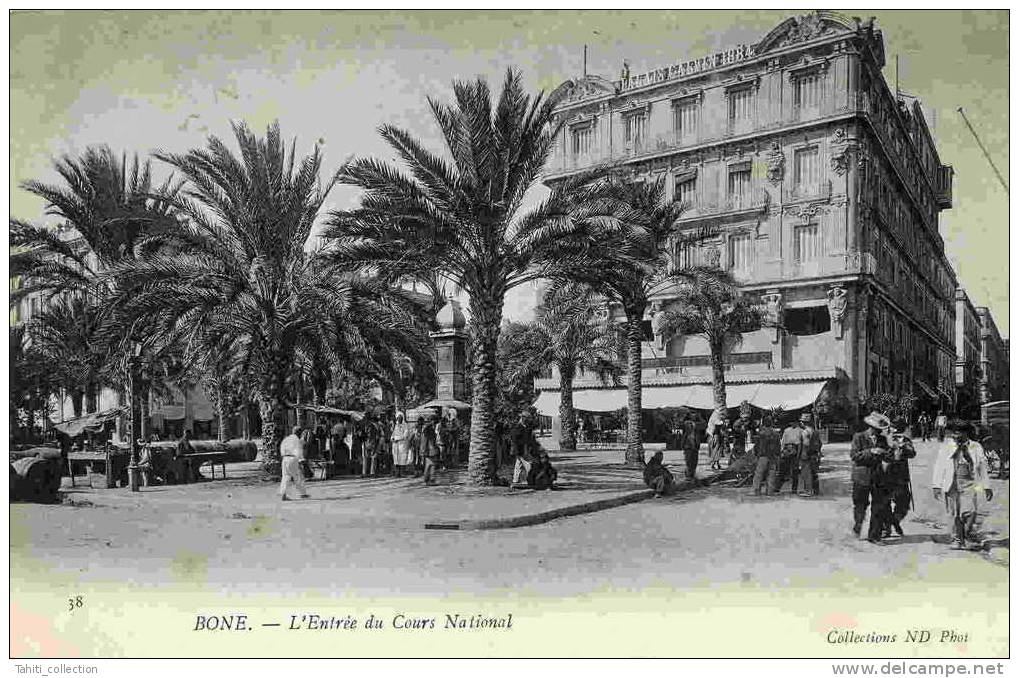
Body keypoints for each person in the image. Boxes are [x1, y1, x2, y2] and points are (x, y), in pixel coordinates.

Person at [932, 420, 992, 550]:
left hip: (969, 482)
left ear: (966, 433)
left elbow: (982, 467)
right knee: (954, 513)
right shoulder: (946, 447)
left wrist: (987, 486)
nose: (956, 436)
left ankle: (966, 534)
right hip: (951, 482)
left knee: (971, 511)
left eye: (959, 433)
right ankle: (957, 539)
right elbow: (939, 466)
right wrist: (936, 485)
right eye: (954, 433)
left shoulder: (976, 447)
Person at [850, 412, 893, 543]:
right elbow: (854, 456)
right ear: (869, 427)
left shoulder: (882, 439)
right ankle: (858, 526)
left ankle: (874, 535)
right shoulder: (859, 437)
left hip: (878, 477)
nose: (877, 432)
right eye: (875, 429)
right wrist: (870, 451)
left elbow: (888, 457)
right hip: (861, 477)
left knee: (878, 506)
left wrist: (886, 452)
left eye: (879, 430)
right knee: (860, 505)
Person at [883, 418, 917, 537]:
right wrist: (891, 446)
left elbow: (912, 453)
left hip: (901, 476)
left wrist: (903, 446)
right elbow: (882, 455)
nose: (893, 430)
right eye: (892, 427)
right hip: (886, 474)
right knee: (885, 502)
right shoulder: (884, 439)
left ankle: (894, 521)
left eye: (895, 427)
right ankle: (885, 528)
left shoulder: (905, 440)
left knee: (904, 504)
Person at [752, 415, 781, 495]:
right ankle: (770, 491)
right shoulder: (776, 434)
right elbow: (778, 446)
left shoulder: (760, 434)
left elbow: (757, 446)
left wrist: (756, 455)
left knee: (759, 474)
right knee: (771, 474)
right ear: (771, 423)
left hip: (763, 456)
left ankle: (757, 490)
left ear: (763, 423)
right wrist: (778, 456)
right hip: (773, 457)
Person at [279, 425, 310, 501]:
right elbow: (299, 451)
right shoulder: (297, 440)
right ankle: (303, 493)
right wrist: (302, 460)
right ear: (298, 433)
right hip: (292, 459)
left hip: (285, 458)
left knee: (285, 477)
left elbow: (282, 449)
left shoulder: (286, 439)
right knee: (298, 476)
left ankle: (283, 494)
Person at [775, 419, 804, 494]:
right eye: (792, 422)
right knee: (783, 470)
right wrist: (782, 451)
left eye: (795, 422)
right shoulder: (787, 430)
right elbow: (783, 441)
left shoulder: (800, 431)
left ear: (797, 423)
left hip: (795, 448)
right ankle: (777, 488)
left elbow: (800, 443)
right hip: (786, 449)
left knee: (795, 471)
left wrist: (798, 455)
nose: (793, 423)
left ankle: (794, 489)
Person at [798, 412, 823, 497]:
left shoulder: (805, 432)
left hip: (807, 455)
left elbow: (806, 444)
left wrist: (803, 454)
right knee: (814, 472)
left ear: (803, 422)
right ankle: (816, 490)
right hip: (815, 454)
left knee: (806, 473)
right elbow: (820, 443)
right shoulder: (815, 431)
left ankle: (808, 491)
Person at [390, 412, 413, 477]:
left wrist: (396, 438)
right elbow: (393, 434)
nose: (399, 419)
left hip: (402, 444)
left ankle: (402, 472)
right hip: (395, 445)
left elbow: (405, 435)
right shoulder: (395, 425)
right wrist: (392, 438)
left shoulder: (405, 425)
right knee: (396, 459)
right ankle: (397, 473)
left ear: (402, 418)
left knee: (402, 458)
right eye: (398, 418)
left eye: (400, 418)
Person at [421, 414, 441, 485]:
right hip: (429, 450)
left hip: (430, 449)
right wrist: (424, 451)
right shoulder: (427, 429)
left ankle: (430, 479)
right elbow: (425, 441)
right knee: (430, 465)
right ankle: (429, 480)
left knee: (431, 465)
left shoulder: (429, 429)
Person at [681, 417, 700, 481]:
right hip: (689, 450)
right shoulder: (687, 434)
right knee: (689, 463)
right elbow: (683, 443)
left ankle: (691, 474)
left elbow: (697, 442)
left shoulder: (694, 434)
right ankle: (689, 474)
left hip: (693, 450)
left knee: (693, 463)